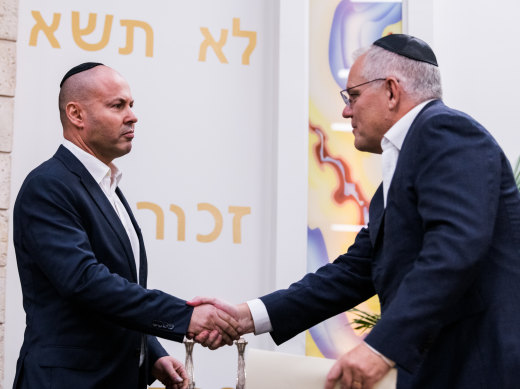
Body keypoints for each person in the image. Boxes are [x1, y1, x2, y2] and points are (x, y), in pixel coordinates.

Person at [191, 34, 520, 389]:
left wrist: (380, 349)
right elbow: (353, 272)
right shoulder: (404, 167)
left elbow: (455, 248)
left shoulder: (446, 132)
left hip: (478, 371)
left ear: (392, 91)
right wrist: (245, 317)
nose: (346, 110)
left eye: (354, 96)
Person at [12, 62, 239, 389]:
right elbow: (85, 282)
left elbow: (115, 293)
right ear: (76, 115)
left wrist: (153, 354)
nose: (132, 116)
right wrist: (185, 318)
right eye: (117, 105)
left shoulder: (107, 185)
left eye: (131, 105)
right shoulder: (48, 186)